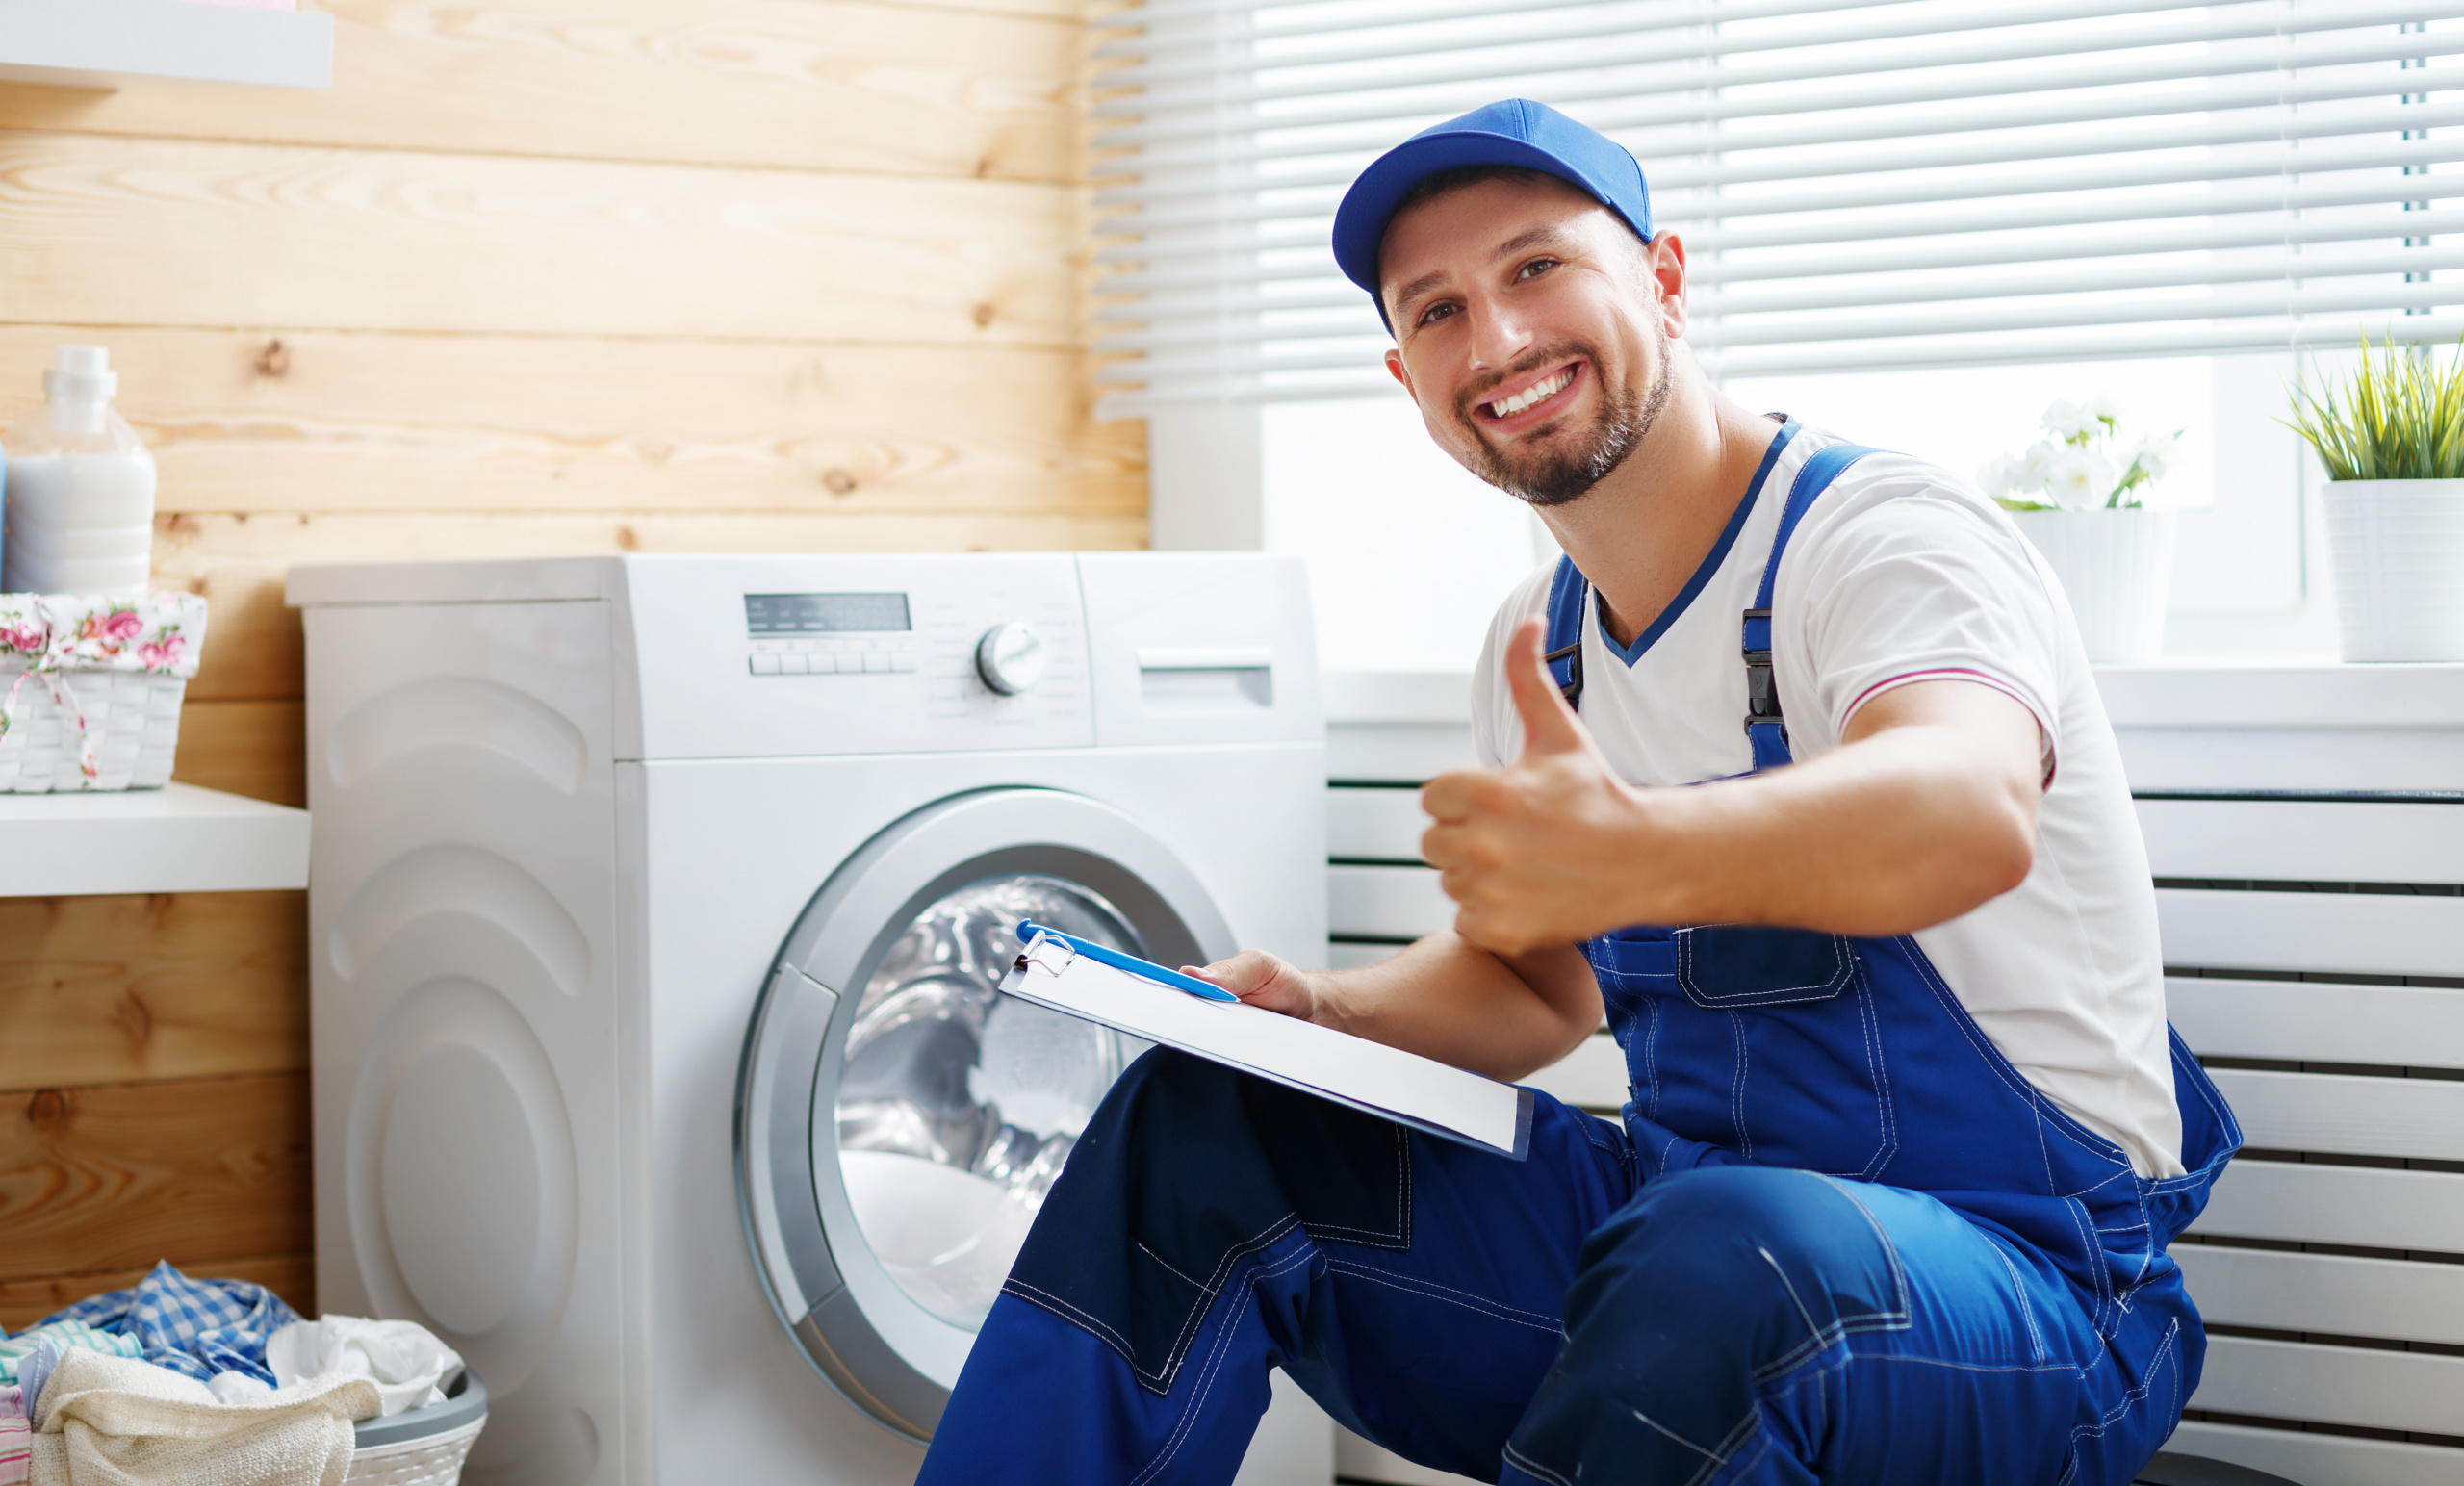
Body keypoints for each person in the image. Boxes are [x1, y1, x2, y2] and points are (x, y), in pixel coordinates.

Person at [915, 98, 2238, 1486]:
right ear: (1404, 377)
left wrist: (1646, 849)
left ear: (1662, 278)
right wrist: (1321, 1010)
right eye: (1437, 311)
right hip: (1679, 1267)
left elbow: (1968, 803)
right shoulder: (1538, 642)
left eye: (1537, 268)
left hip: (2029, 1306)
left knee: (1719, 1253)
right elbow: (1543, 989)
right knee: (1205, 1126)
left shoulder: (1879, 539)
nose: (1493, 342)